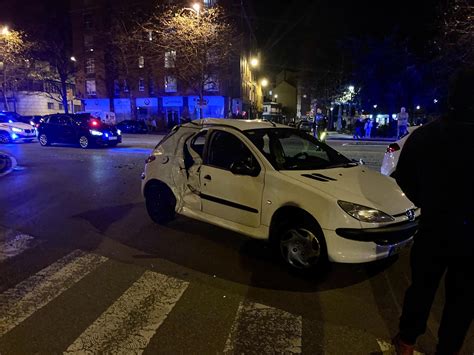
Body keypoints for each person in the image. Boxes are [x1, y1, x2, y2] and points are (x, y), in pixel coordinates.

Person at [392, 67, 474, 355]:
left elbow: (403, 177)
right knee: (461, 302)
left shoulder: (426, 135)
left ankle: (406, 343)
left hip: (434, 227)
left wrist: (427, 199)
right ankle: (447, 349)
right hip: (470, 237)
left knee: (421, 290)